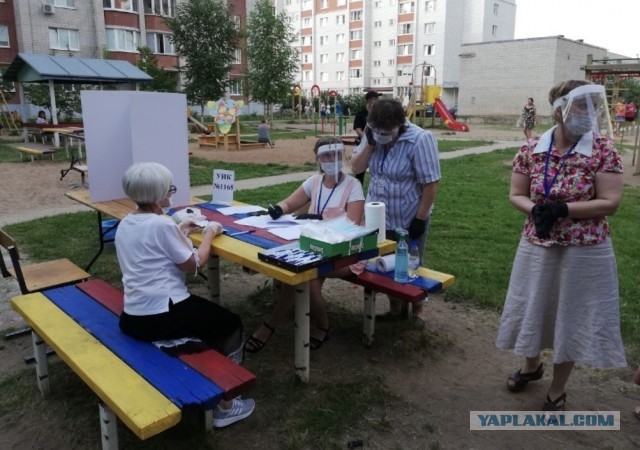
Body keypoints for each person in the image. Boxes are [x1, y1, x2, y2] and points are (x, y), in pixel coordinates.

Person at [495, 80, 626, 412]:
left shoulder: (603, 149)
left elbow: (610, 202)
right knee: (533, 304)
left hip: (585, 250)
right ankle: (531, 365)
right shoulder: (531, 150)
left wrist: (563, 209)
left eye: (593, 107)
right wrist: (536, 210)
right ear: (559, 109)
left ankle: (557, 386)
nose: (589, 114)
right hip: (538, 243)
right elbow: (517, 194)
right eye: (582, 106)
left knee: (573, 314)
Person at [114, 162, 255, 428]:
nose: (171, 195)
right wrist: (210, 234)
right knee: (230, 323)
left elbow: (152, 247)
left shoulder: (126, 223)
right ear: (158, 195)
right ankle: (227, 400)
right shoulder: (162, 225)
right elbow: (194, 264)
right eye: (169, 190)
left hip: (133, 315)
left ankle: (217, 383)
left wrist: (181, 231)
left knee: (207, 318)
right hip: (162, 314)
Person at [244, 136, 365, 353]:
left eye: (336, 154)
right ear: (318, 159)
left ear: (341, 155)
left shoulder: (353, 185)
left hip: (346, 253)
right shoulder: (314, 182)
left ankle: (273, 325)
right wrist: (279, 209)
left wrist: (320, 221)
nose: (331, 159)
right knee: (303, 276)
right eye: (326, 155)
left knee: (305, 278)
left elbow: (353, 226)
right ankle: (321, 325)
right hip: (313, 249)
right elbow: (291, 202)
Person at [350, 98, 441, 328]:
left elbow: (430, 184)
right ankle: (395, 308)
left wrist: (420, 219)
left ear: (399, 125)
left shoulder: (420, 140)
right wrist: (370, 142)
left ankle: (418, 309)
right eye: (376, 129)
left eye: (385, 131)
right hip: (378, 216)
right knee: (383, 262)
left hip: (410, 215)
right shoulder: (373, 132)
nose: (381, 133)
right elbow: (356, 168)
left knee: (410, 263)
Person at [352, 91, 381, 184]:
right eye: (376, 99)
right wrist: (367, 138)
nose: (378, 101)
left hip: (379, 144)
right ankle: (357, 187)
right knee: (360, 171)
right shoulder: (361, 114)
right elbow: (357, 129)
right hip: (364, 145)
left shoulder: (380, 113)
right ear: (370, 100)